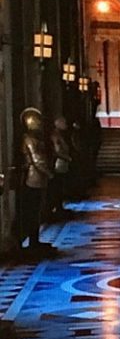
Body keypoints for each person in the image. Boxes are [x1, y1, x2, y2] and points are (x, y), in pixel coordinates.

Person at [17, 107, 54, 253]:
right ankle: (32, 241)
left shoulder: (34, 139)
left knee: (37, 210)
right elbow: (37, 160)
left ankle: (35, 240)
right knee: (32, 211)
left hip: (38, 176)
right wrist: (49, 173)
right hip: (33, 177)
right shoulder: (29, 140)